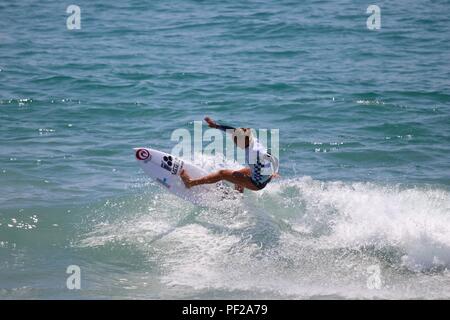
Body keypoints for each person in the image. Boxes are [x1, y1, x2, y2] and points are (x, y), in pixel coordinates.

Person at [180, 117, 279, 192]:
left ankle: (190, 183)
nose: (235, 143)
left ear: (243, 140)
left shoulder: (254, 151)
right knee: (238, 175)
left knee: (222, 173)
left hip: (257, 183)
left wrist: (274, 171)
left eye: (236, 141)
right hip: (263, 177)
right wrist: (216, 126)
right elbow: (233, 131)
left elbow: (271, 157)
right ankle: (237, 199)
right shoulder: (251, 139)